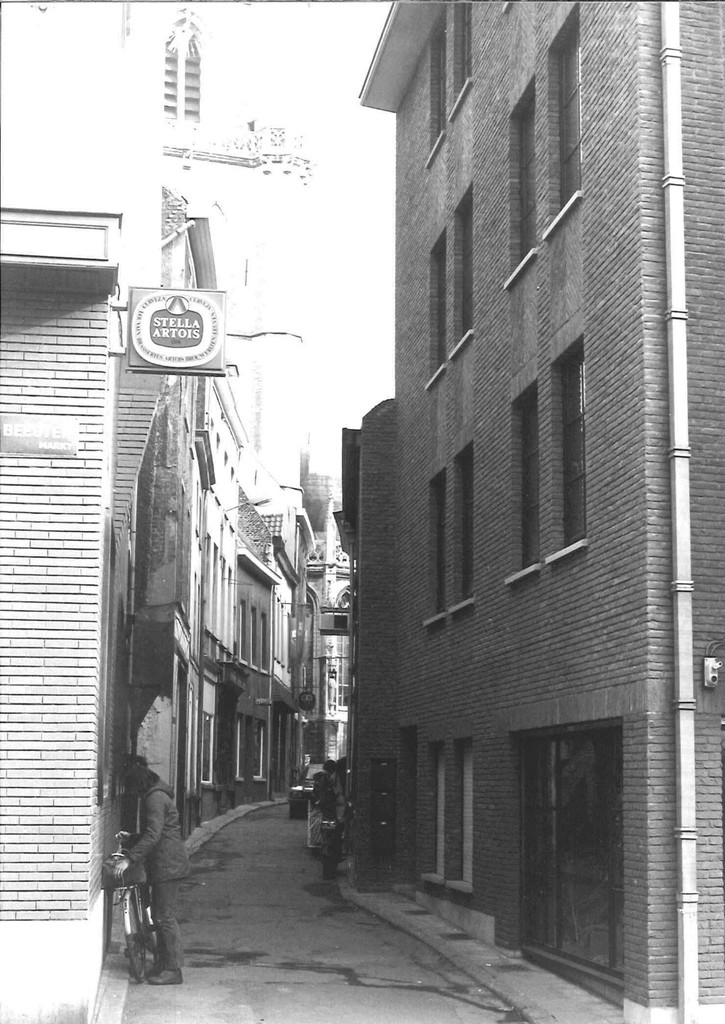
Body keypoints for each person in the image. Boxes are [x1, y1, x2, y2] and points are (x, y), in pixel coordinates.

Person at [114, 756, 190, 986]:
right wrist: (133, 837)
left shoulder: (154, 799)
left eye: (133, 790)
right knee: (159, 916)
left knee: (164, 917)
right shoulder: (156, 794)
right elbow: (156, 832)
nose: (134, 795)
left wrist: (130, 858)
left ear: (138, 785)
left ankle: (173, 970)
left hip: (168, 865)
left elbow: (154, 835)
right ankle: (164, 964)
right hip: (165, 864)